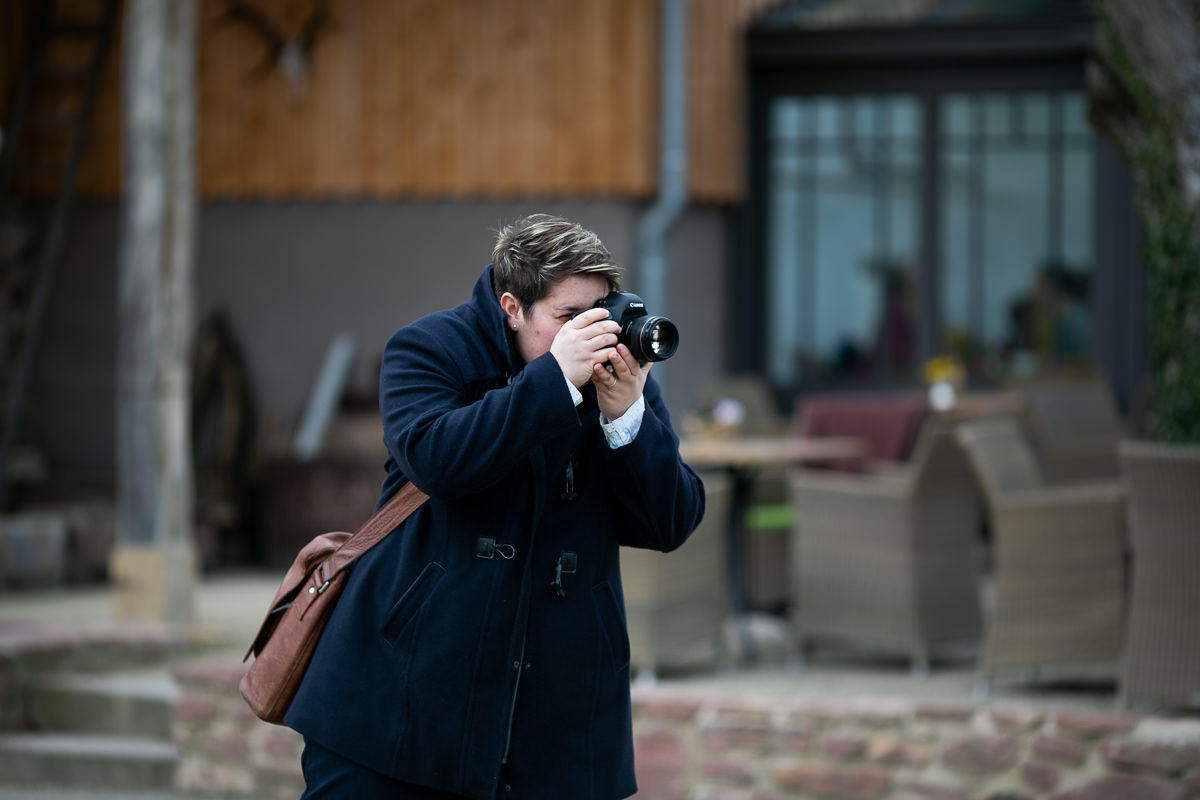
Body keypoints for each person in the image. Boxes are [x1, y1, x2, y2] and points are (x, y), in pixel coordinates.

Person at [286, 213, 707, 799]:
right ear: (513, 308)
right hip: (400, 702)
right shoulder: (428, 348)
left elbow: (670, 523)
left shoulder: (621, 376)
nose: (592, 332)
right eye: (569, 316)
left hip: (557, 721)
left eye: (600, 311)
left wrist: (628, 419)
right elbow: (437, 461)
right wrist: (554, 382)